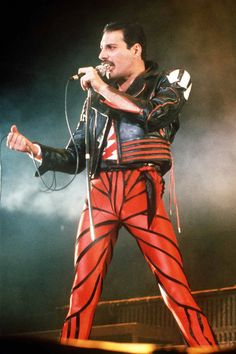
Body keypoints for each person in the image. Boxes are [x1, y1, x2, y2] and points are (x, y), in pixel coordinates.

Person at [6, 22, 217, 347]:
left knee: (174, 285)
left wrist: (103, 89)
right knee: (82, 291)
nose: (102, 55)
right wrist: (33, 149)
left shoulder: (169, 81)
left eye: (110, 47)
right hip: (101, 193)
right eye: (101, 48)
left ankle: (207, 348)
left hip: (141, 191)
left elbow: (156, 115)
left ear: (136, 50)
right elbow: (76, 157)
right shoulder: (94, 102)